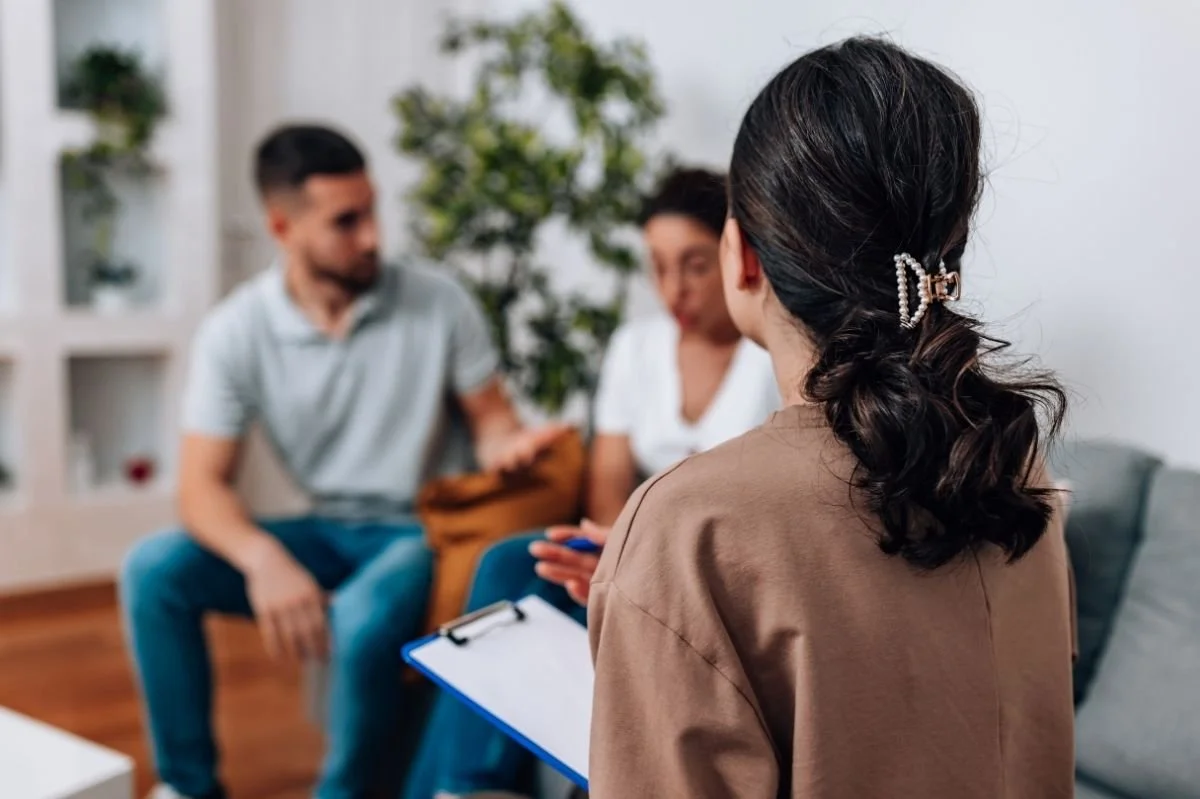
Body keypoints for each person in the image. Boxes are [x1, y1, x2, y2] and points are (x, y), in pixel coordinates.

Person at [586, 38, 1076, 798]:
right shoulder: (1013, 470)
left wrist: (662, 596)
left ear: (742, 256)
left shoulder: (689, 529)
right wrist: (669, 621)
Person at [119, 124, 563, 799]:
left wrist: (513, 446)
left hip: (417, 530)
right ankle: (187, 785)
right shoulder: (236, 332)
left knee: (361, 613)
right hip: (324, 526)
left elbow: (493, 422)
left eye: (371, 210)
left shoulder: (438, 302)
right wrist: (262, 559)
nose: (372, 237)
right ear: (281, 225)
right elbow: (201, 486)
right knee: (153, 570)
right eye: (345, 221)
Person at [405, 168, 782, 799]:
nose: (674, 289)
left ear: (734, 254)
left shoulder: (770, 355)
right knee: (514, 560)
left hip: (708, 560)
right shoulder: (638, 348)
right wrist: (617, 553)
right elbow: (606, 482)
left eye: (692, 265)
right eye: (657, 267)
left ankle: (459, 787)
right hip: (633, 541)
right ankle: (469, 786)